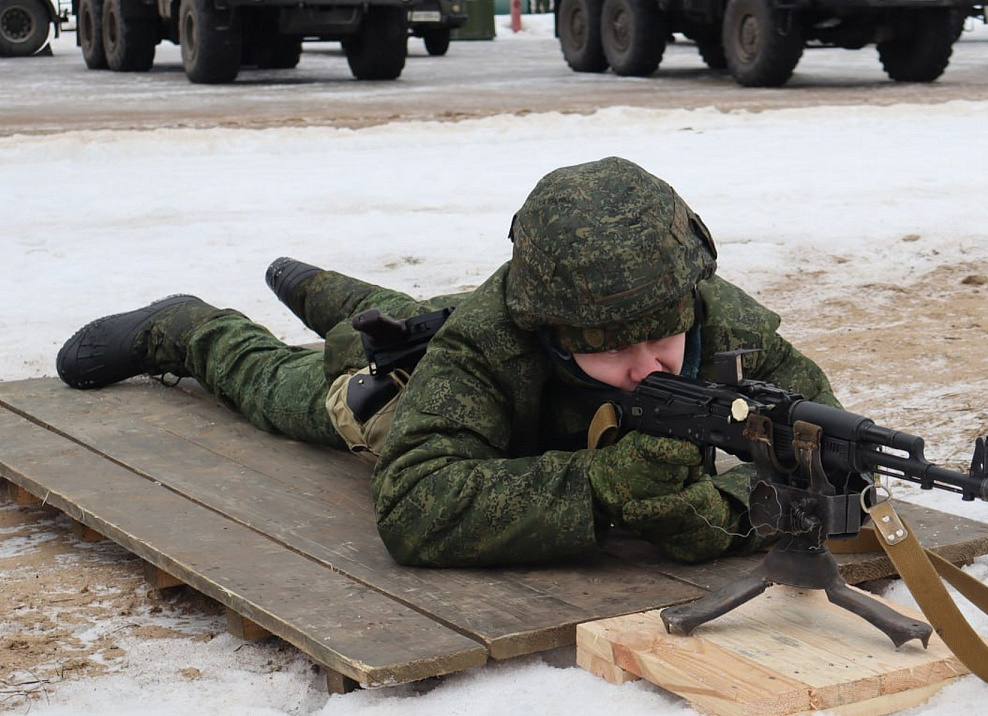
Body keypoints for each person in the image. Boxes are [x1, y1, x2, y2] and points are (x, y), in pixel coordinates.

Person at [56, 157, 841, 568]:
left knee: (415, 322)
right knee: (312, 391)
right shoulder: (489, 343)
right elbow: (412, 505)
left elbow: (827, 452)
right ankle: (191, 327)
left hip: (474, 334)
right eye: (609, 348)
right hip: (426, 395)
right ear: (548, 326)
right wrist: (597, 488)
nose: (646, 368)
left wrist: (734, 512)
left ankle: (354, 304)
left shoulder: (720, 319)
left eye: (662, 340)